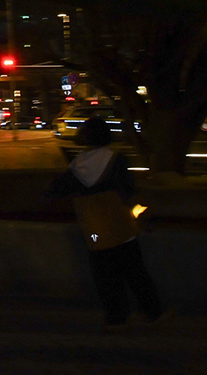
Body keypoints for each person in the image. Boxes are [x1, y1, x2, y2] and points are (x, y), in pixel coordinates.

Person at [48, 116, 166, 329]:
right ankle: (153, 312)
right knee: (135, 271)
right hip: (120, 224)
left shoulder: (77, 166)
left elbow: (54, 191)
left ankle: (116, 317)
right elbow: (128, 191)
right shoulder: (116, 160)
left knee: (105, 275)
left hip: (93, 228)